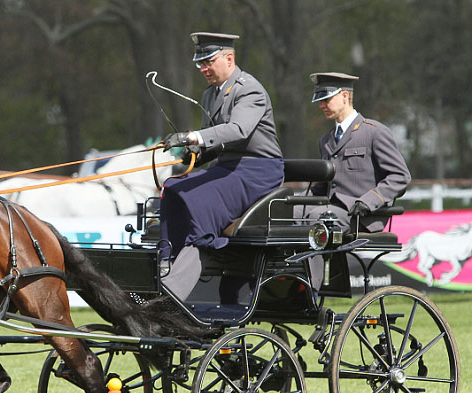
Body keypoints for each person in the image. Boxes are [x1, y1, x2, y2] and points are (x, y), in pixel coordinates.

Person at [158, 32, 284, 302]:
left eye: (208, 61)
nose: (203, 68)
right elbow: (213, 143)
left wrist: (192, 136)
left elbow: (238, 130)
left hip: (258, 171)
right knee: (173, 188)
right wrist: (191, 153)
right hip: (229, 168)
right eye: (199, 63)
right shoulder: (209, 95)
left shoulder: (249, 89)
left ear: (229, 58)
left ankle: (176, 291)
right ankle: (166, 262)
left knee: (198, 200)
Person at [303, 72, 411, 233]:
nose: (321, 105)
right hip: (332, 211)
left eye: (326, 99)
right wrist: (293, 201)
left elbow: (400, 176)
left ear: (345, 96)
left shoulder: (374, 132)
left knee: (317, 218)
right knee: (286, 214)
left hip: (362, 214)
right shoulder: (326, 140)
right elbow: (323, 186)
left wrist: (369, 201)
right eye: (320, 101)